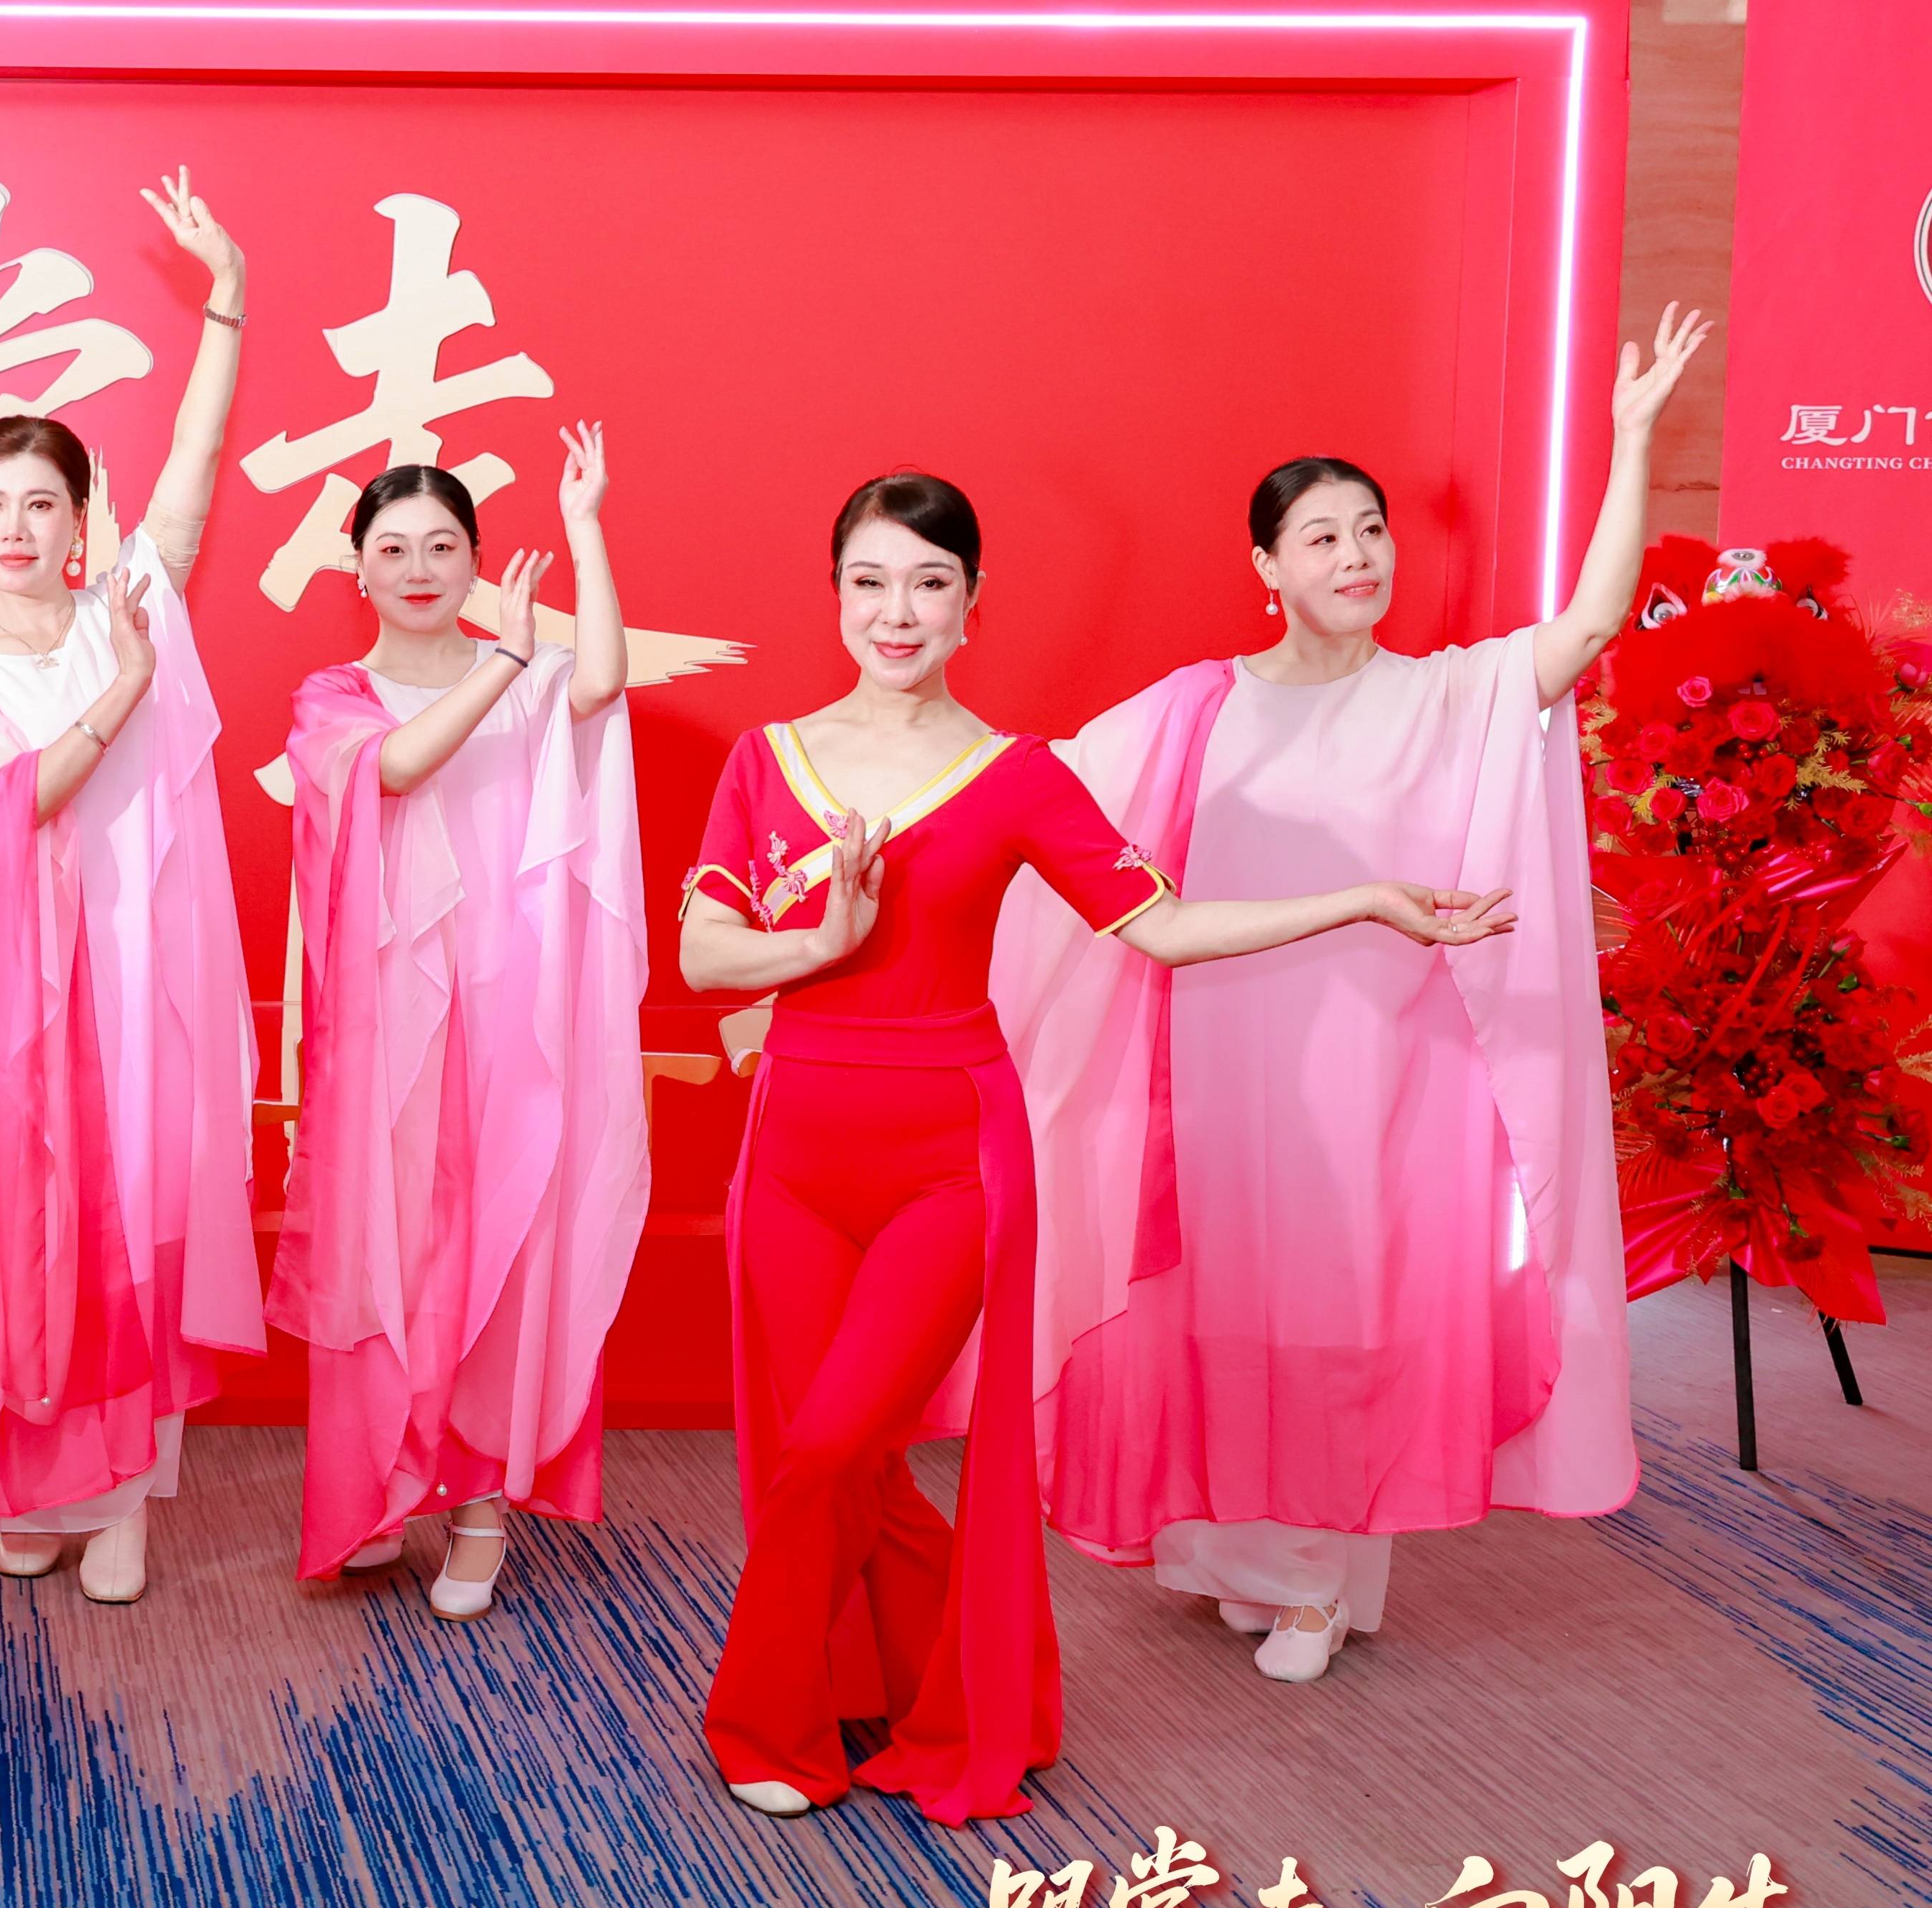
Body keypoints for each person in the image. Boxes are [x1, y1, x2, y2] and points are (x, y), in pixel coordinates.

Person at [678, 471, 1511, 1824]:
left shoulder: (1016, 774)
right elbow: (704, 955)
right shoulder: (766, 760)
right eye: (872, 583)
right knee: (822, 1455)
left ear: (973, 604)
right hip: (792, 1153)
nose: (899, 612)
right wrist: (820, 943)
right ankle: (969, 1681)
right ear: (834, 596)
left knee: (832, 1445)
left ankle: (764, 1722)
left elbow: (1162, 927)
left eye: (930, 584)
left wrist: (1363, 900)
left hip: (950, 1155)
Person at [1001, 309, 1703, 1684]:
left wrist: (1631, 442)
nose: (1357, 555)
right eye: (1321, 536)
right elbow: (1045, 801)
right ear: (1266, 566)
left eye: (1371, 529)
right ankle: (1243, 1560)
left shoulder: (1444, 694)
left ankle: (1318, 1585)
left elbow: (1589, 625)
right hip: (1214, 1061)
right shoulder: (1198, 707)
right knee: (1226, 1308)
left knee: (1343, 1313)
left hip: (1383, 1069)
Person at [0, 170, 265, 1606]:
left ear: (78, 522)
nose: (14, 525)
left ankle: (122, 1497)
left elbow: (196, 463)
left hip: (129, 972)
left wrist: (227, 300)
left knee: (128, 1211)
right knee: (13, 1220)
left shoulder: (130, 608)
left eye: (40, 503)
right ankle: (35, 1475)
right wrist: (118, 698)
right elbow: (15, 806)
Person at [273, 432, 644, 1616]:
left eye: (443, 546)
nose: (419, 568)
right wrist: (504, 666)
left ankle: (480, 1506)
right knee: (389, 1255)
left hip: (511, 1016)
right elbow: (392, 770)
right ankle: (382, 1485)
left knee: (499, 1247)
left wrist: (584, 525)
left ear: (479, 561)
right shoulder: (333, 699)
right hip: (390, 1031)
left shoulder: (528, 675)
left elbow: (599, 685)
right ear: (358, 568)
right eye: (393, 549)